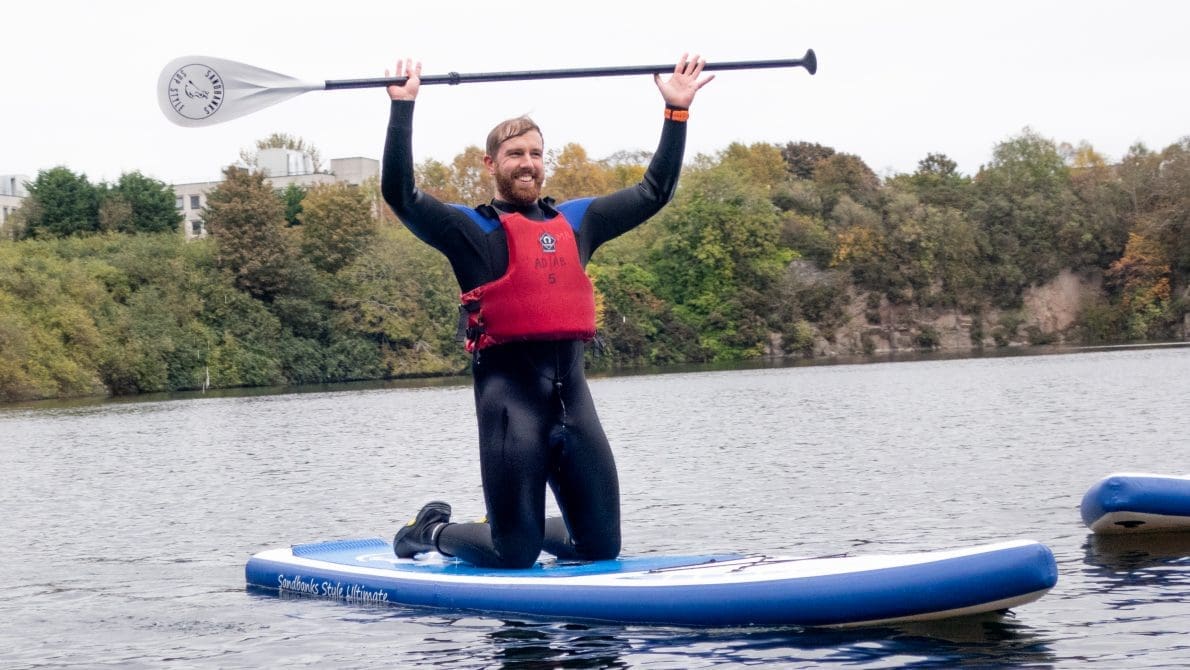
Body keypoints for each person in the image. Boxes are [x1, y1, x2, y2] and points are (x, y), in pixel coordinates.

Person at [382, 54, 713, 569]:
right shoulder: (470, 230)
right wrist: (404, 108)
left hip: (573, 404)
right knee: (513, 552)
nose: (528, 163)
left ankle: (526, 524)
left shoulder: (579, 221)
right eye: (515, 153)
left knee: (600, 547)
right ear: (490, 164)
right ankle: (431, 531)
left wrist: (676, 112)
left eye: (536, 153)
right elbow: (399, 194)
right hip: (510, 408)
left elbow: (654, 192)